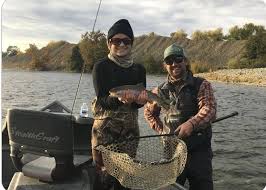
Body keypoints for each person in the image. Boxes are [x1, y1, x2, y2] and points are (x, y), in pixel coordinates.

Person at [144, 43, 217, 190]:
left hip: (199, 152)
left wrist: (191, 124)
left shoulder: (202, 84)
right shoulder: (159, 91)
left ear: (185, 61)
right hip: (172, 152)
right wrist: (162, 131)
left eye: (178, 59)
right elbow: (148, 112)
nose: (174, 64)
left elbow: (209, 109)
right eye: (169, 61)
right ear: (165, 65)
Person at [91, 19, 146, 190]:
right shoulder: (101, 67)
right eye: (116, 40)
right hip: (105, 132)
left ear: (131, 43)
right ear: (109, 43)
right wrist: (118, 99)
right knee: (104, 178)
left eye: (126, 41)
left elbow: (137, 104)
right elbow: (102, 100)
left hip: (130, 131)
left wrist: (140, 102)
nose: (121, 44)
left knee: (126, 178)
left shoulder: (139, 69)